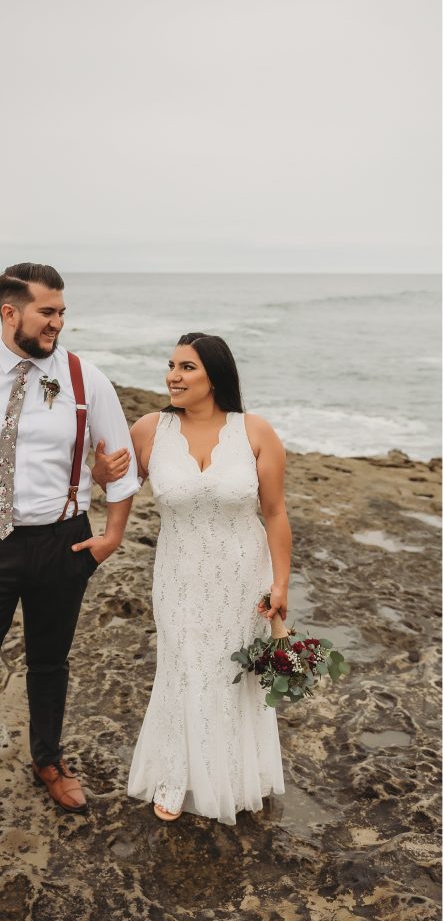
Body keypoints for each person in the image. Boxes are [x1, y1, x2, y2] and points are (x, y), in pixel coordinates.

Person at [0, 263, 140, 839]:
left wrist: (110, 536)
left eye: (62, 312)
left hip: (63, 541)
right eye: (47, 312)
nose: (58, 323)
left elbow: (121, 463)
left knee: (49, 661)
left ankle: (48, 760)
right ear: (10, 312)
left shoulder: (86, 379)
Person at [95, 332, 289, 822]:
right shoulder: (148, 429)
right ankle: (176, 774)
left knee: (230, 671)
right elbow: (119, 486)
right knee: (184, 665)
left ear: (214, 376)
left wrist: (281, 584)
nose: (173, 377)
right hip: (179, 572)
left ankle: (233, 775)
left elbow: (276, 513)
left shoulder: (256, 432)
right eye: (172, 366)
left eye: (187, 368)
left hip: (244, 572)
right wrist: (102, 481)